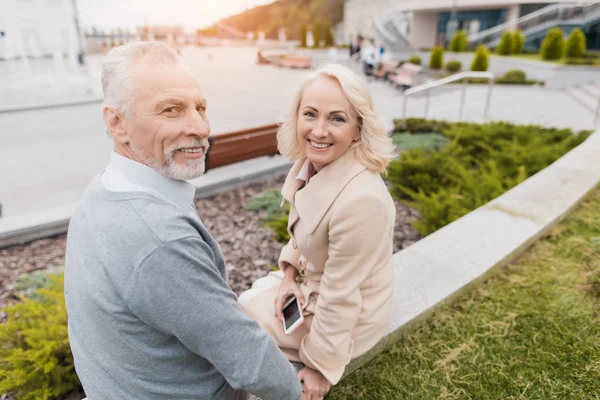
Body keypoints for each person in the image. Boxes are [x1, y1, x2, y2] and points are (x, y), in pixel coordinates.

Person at [64, 41, 302, 400]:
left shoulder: (101, 193)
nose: (200, 127)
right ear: (117, 122)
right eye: (171, 110)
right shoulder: (157, 238)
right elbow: (253, 363)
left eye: (200, 107)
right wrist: (295, 390)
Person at [239, 64, 396, 400]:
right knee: (248, 302)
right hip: (311, 286)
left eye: (337, 118)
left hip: (349, 319)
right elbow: (301, 235)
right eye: (310, 114)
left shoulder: (362, 201)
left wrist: (320, 365)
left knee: (241, 320)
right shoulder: (315, 164)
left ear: (358, 129)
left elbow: (342, 296)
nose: (319, 130)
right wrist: (288, 277)